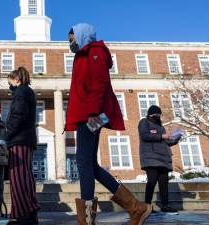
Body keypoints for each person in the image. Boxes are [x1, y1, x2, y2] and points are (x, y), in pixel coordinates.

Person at [65, 23, 151, 225]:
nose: (70, 44)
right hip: (87, 114)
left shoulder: (95, 52)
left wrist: (93, 113)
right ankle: (135, 207)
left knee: (83, 162)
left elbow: (99, 83)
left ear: (81, 36)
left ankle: (86, 220)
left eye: (72, 39)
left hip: (93, 114)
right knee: (90, 165)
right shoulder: (83, 55)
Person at [5, 67, 40, 225]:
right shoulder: (28, 92)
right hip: (26, 139)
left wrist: (6, 136)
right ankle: (27, 213)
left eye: (10, 81)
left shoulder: (21, 92)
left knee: (18, 177)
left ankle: (23, 214)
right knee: (25, 176)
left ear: (17, 79)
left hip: (19, 140)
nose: (9, 84)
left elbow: (18, 115)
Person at [138, 105, 181, 214]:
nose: (157, 117)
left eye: (158, 115)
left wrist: (175, 139)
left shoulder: (160, 127)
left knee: (164, 182)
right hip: (150, 157)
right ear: (150, 114)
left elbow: (164, 142)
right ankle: (147, 206)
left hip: (163, 158)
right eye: (155, 114)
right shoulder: (144, 122)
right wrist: (162, 136)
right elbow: (145, 136)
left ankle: (165, 205)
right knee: (152, 181)